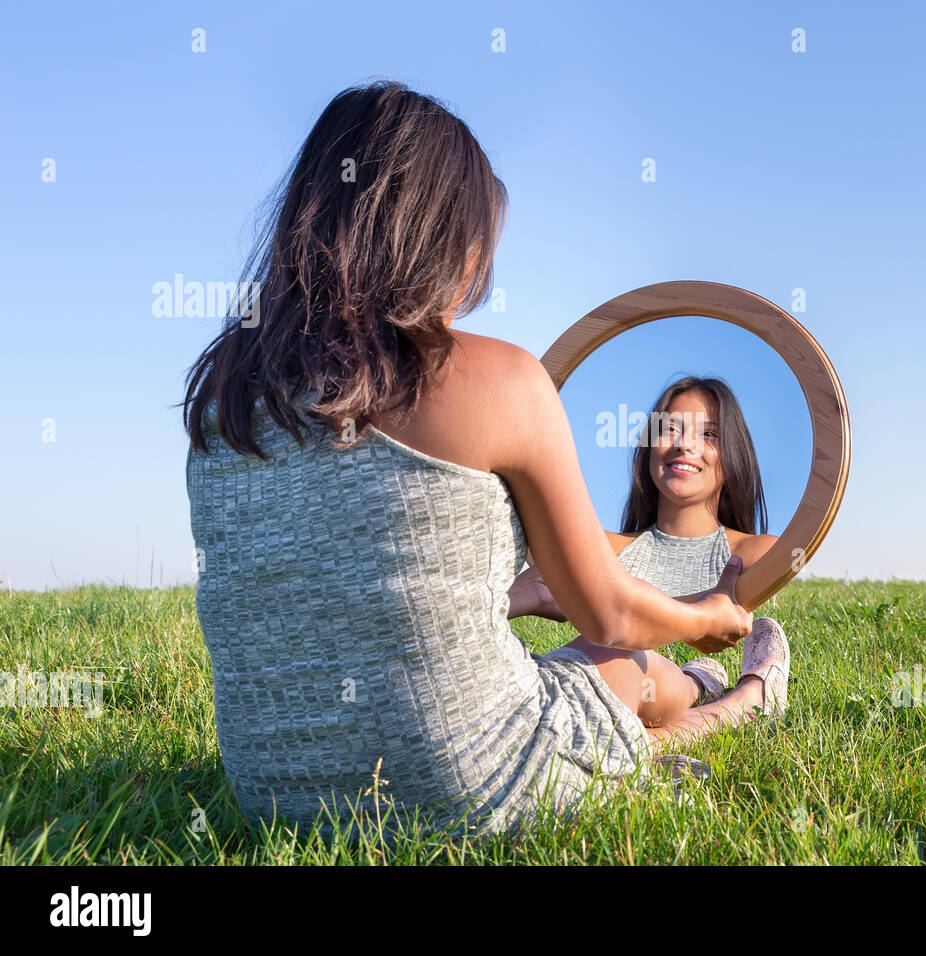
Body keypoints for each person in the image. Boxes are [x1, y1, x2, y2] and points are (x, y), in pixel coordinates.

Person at [182, 81, 786, 839]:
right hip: (470, 782)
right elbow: (614, 610)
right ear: (444, 238)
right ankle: (739, 703)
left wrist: (527, 595)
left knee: (580, 663)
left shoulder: (221, 400)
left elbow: (344, 589)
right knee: (631, 669)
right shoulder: (497, 379)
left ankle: (662, 733)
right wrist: (704, 619)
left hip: (270, 796)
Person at [508, 375, 792, 733]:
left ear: (733, 454)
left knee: (617, 656)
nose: (684, 445)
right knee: (617, 654)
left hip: (616, 685)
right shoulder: (602, 546)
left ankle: (701, 685)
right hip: (605, 684)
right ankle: (722, 697)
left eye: (709, 435)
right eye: (670, 429)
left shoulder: (761, 552)